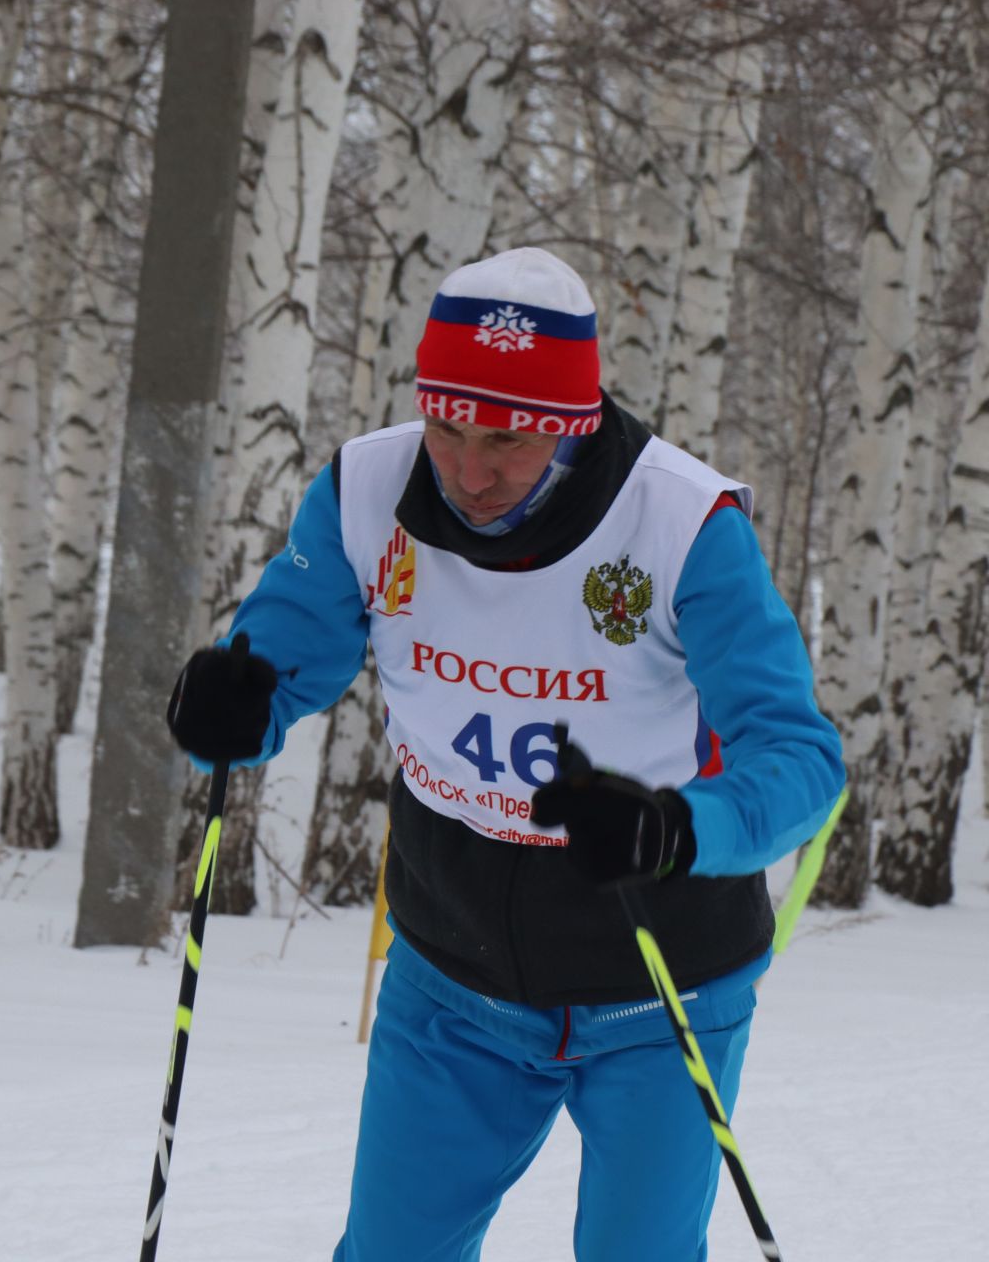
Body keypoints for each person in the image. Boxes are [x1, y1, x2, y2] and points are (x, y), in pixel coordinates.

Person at [166, 246, 846, 1261]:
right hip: (454, 968)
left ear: (572, 427)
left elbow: (801, 757)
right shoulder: (365, 489)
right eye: (447, 424)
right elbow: (281, 656)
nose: (469, 468)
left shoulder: (679, 522)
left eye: (509, 439)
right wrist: (232, 703)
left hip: (660, 971)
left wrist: (679, 824)